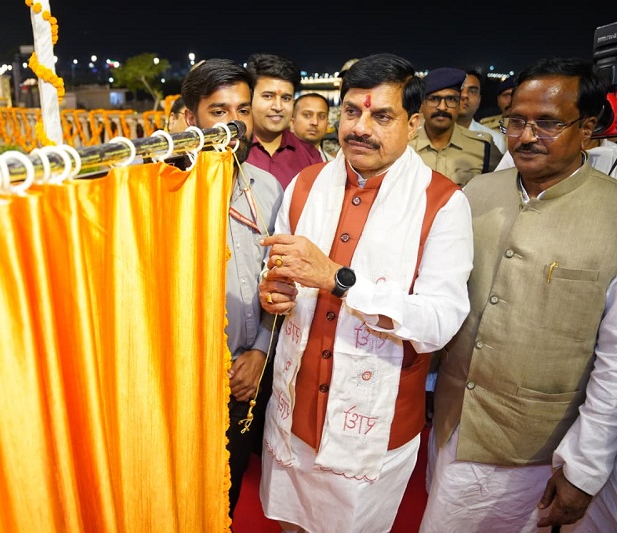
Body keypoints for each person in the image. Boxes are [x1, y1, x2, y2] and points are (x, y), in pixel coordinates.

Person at [256, 52, 474, 532]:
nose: (360, 128)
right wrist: (275, 294)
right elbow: (280, 278)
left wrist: (338, 279)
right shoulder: (304, 185)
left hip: (373, 425)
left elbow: (439, 322)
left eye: (381, 116)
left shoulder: (442, 204)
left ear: (413, 123)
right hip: (294, 415)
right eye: (352, 112)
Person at [424, 57, 617, 532]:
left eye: (548, 123)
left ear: (588, 129)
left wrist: (585, 470)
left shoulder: (612, 214)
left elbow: (614, 367)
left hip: (540, 449)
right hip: (452, 424)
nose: (527, 136)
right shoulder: (472, 196)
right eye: (516, 121)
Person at [179, 58, 284, 521]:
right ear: (189, 119)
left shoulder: (268, 189)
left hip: (243, 377)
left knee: (225, 499)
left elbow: (278, 280)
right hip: (178, 379)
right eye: (218, 111)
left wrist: (260, 352)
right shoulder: (159, 192)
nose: (233, 124)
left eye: (241, 110)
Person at [409, 67, 502, 186]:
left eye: (451, 99)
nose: (442, 107)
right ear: (422, 105)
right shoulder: (405, 147)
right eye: (434, 99)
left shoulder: (483, 147)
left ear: (459, 104)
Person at [245, 53, 323, 189]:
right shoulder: (233, 152)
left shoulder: (311, 157)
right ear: (249, 98)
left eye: (286, 98)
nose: (278, 107)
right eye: (268, 96)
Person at [457, 69, 507, 154]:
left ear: (479, 100)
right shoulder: (431, 136)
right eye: (460, 89)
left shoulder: (494, 140)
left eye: (472, 91)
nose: (464, 95)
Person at [291, 92, 335, 161]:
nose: (315, 122)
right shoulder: (280, 161)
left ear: (327, 125)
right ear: (292, 123)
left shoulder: (333, 166)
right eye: (307, 115)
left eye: (321, 116)